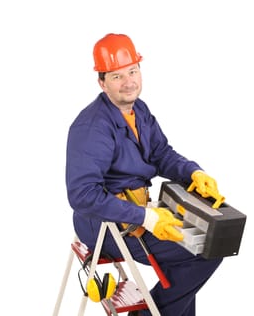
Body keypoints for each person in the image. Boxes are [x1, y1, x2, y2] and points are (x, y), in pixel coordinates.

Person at [66, 33, 223, 316]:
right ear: (102, 82)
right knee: (203, 250)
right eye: (117, 76)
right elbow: (82, 195)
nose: (129, 82)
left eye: (133, 71)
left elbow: (160, 153)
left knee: (211, 241)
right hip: (103, 222)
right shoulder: (91, 128)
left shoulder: (139, 110)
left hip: (133, 212)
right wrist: (147, 218)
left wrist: (193, 172)